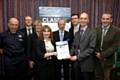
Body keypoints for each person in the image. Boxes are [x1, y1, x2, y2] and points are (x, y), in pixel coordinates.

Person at [70, 12, 96, 80]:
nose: (83, 20)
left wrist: (77, 57)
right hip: (77, 65)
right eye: (81, 18)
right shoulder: (77, 33)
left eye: (85, 18)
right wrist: (69, 54)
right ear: (79, 20)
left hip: (87, 65)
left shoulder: (93, 32)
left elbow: (91, 49)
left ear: (88, 20)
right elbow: (73, 46)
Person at [95, 13, 120, 80]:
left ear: (111, 20)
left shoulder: (117, 31)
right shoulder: (96, 29)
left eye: (107, 19)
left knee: (107, 77)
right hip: (97, 59)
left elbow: (115, 46)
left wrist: (102, 55)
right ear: (101, 19)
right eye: (103, 19)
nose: (105, 21)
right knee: (97, 77)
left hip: (108, 61)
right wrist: (97, 53)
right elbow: (94, 43)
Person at [69, 14, 80, 80]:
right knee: (73, 71)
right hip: (72, 53)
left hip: (81, 54)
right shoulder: (70, 29)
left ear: (79, 19)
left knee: (80, 72)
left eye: (75, 18)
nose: (74, 20)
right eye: (72, 19)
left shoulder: (83, 28)